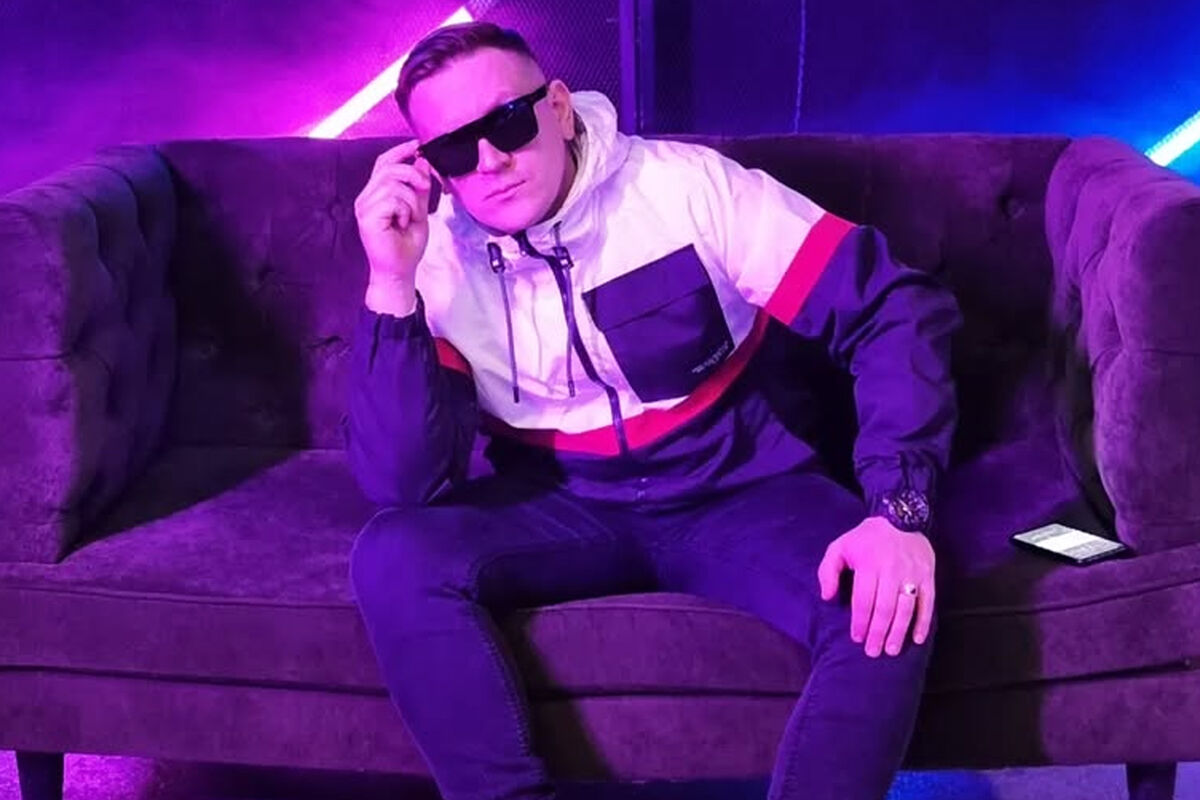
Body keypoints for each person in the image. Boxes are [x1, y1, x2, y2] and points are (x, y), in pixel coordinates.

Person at [344, 20, 962, 800]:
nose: (490, 160)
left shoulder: (686, 190)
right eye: (455, 149)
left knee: (886, 596)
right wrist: (390, 285)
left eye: (508, 122)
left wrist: (899, 509)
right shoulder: (434, 259)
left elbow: (892, 309)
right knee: (393, 554)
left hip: (741, 486)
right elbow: (402, 480)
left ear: (557, 107)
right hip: (555, 503)